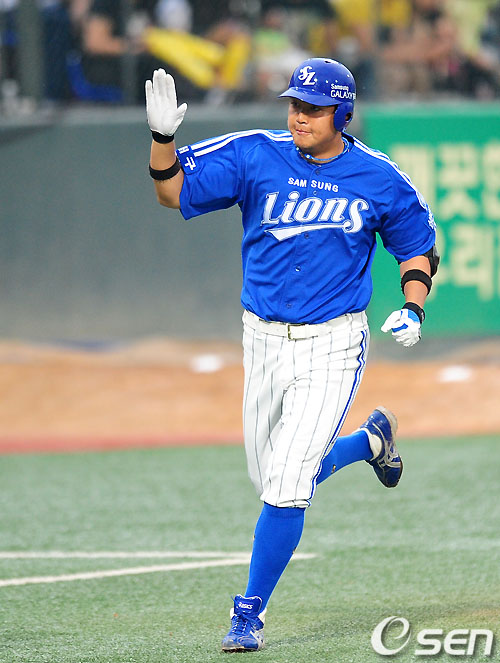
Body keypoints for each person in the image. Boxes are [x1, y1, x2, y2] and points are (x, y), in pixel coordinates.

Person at [144, 58, 439, 652]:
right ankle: (369, 443)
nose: (300, 116)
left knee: (285, 484)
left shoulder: (379, 177)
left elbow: (416, 248)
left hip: (333, 342)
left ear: (343, 114)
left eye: (314, 108)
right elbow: (172, 192)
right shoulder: (256, 153)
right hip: (262, 339)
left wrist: (414, 306)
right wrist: (161, 139)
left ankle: (248, 614)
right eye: (295, 104)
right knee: (272, 476)